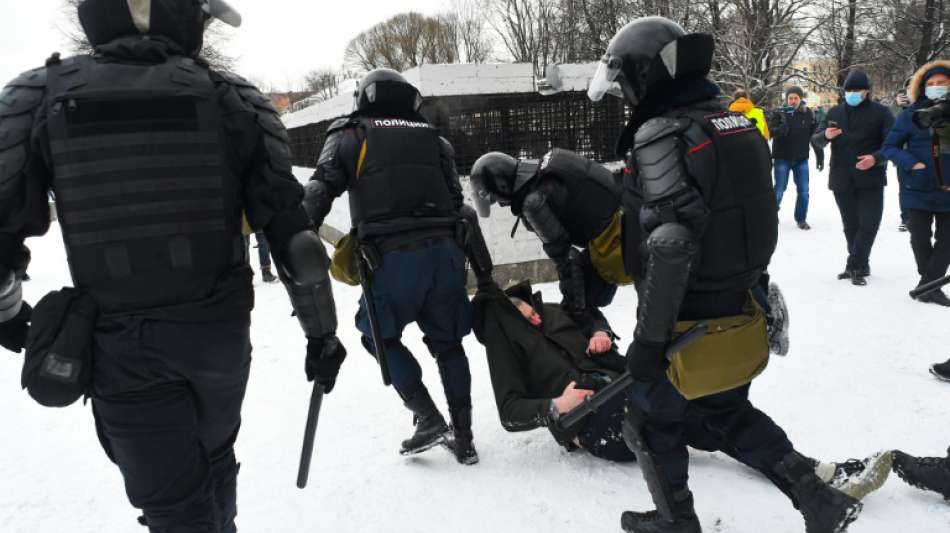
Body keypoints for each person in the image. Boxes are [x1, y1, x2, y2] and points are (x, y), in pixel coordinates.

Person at [0, 1, 347, 531]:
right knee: (213, 461)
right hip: (219, 340)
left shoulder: (39, 96)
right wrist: (322, 334)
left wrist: (8, 313)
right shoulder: (233, 98)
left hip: (123, 345)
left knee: (173, 509)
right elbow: (298, 245)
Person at [588, 17, 866, 533]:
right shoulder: (732, 123)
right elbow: (748, 215)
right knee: (726, 412)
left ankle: (676, 523)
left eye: (626, 82)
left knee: (649, 422)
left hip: (682, 318)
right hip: (736, 301)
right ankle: (819, 500)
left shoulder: (659, 133)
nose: (624, 94)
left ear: (643, 76)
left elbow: (671, 243)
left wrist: (649, 341)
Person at [471, 281, 892, 498]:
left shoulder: (551, 310)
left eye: (530, 309)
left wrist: (600, 333)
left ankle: (812, 473)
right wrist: (555, 406)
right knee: (690, 414)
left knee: (707, 405)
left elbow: (592, 317)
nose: (534, 318)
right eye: (524, 316)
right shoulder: (506, 350)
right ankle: (813, 480)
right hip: (592, 417)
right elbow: (510, 412)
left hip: (622, 380)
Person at [304, 68, 479, 465]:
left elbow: (321, 186)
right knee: (449, 343)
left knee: (376, 334)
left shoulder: (352, 132)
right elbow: (458, 201)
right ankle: (465, 440)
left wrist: (299, 238)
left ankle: (427, 416)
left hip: (393, 259)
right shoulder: (434, 139)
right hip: (446, 254)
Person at [469, 149, 627, 336]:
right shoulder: (551, 160)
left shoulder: (533, 203)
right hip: (631, 215)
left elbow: (567, 258)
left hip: (618, 245)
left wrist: (575, 313)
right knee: (583, 294)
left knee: (583, 300)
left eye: (494, 199)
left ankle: (595, 347)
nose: (499, 203)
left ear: (501, 187)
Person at [813, 71, 895, 286]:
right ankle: (861, 264)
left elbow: (892, 144)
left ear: (867, 91)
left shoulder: (882, 113)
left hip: (871, 178)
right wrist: (825, 136)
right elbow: (816, 140)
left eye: (857, 90)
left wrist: (875, 158)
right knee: (851, 225)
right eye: (848, 90)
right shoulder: (834, 112)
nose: (852, 94)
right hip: (841, 177)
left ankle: (854, 265)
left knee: (869, 224)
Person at [882, 61, 950, 307]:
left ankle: (928, 286)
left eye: (941, 83)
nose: (936, 87)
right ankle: (930, 285)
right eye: (930, 84)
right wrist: (912, 164)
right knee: (919, 238)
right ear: (922, 88)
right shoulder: (910, 115)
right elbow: (889, 147)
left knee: (947, 242)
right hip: (917, 187)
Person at [768, 86, 824, 230]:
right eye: (790, 98)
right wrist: (780, 130)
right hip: (782, 158)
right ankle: (770, 216)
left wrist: (820, 156)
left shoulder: (808, 114)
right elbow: (770, 132)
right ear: (786, 99)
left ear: (800, 99)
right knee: (779, 189)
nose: (793, 101)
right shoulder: (779, 113)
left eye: (795, 98)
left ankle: (801, 219)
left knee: (804, 191)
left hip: (801, 159)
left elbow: (814, 137)